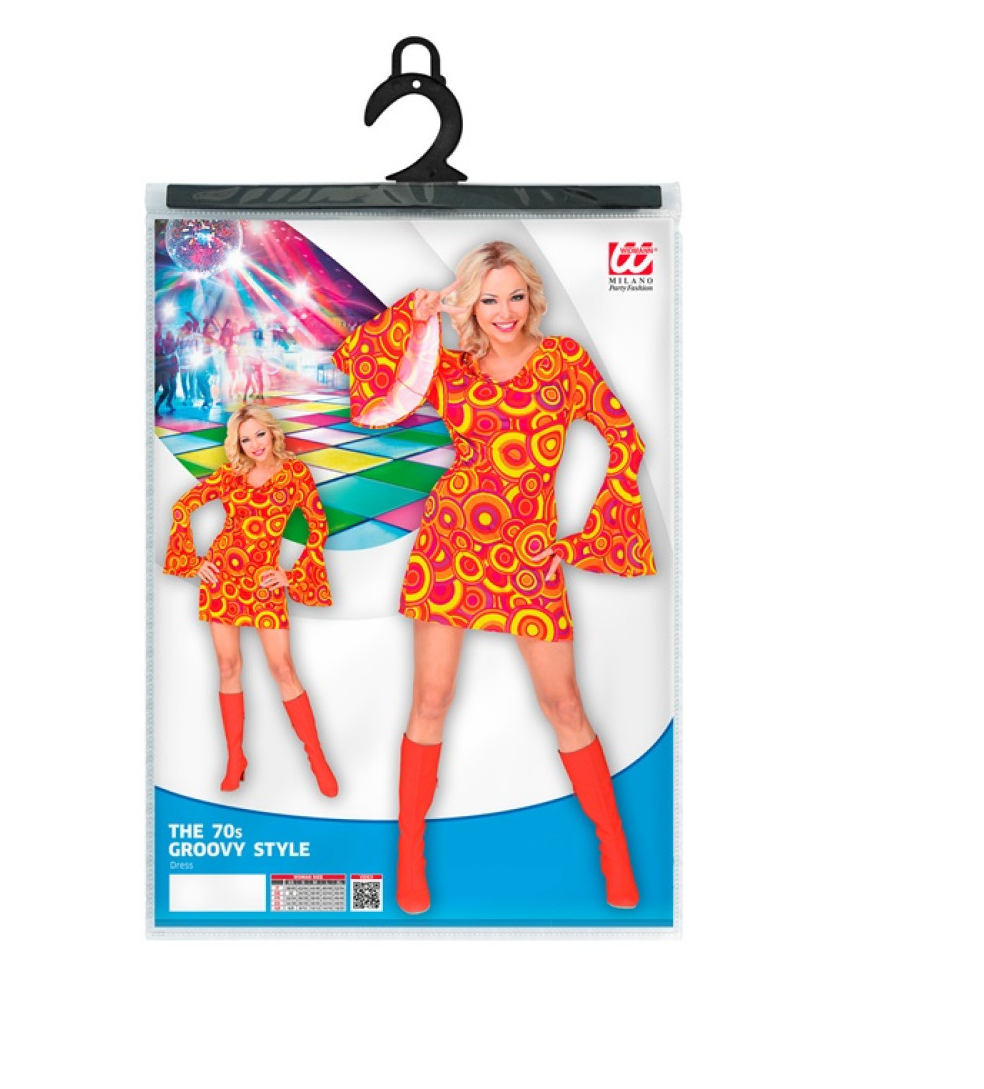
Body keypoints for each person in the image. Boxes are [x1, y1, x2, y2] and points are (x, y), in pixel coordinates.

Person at [332, 241, 656, 912]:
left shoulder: (564, 360)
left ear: (531, 297)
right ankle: (409, 854)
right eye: (488, 298)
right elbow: (357, 371)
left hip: (529, 555)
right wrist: (413, 314)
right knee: (430, 699)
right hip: (452, 546)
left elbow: (626, 438)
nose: (504, 311)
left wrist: (586, 541)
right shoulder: (450, 367)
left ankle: (615, 850)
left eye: (514, 296)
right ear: (470, 306)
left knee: (564, 705)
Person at [162, 405, 337, 795]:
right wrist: (193, 562)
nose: (255, 444)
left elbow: (318, 527)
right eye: (245, 439)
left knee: (283, 669)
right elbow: (183, 506)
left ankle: (317, 758)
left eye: (260, 434)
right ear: (237, 445)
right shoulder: (231, 474)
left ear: (272, 433)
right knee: (228, 667)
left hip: (264, 585)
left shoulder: (295, 474)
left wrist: (292, 575)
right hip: (222, 579)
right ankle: (235, 759)